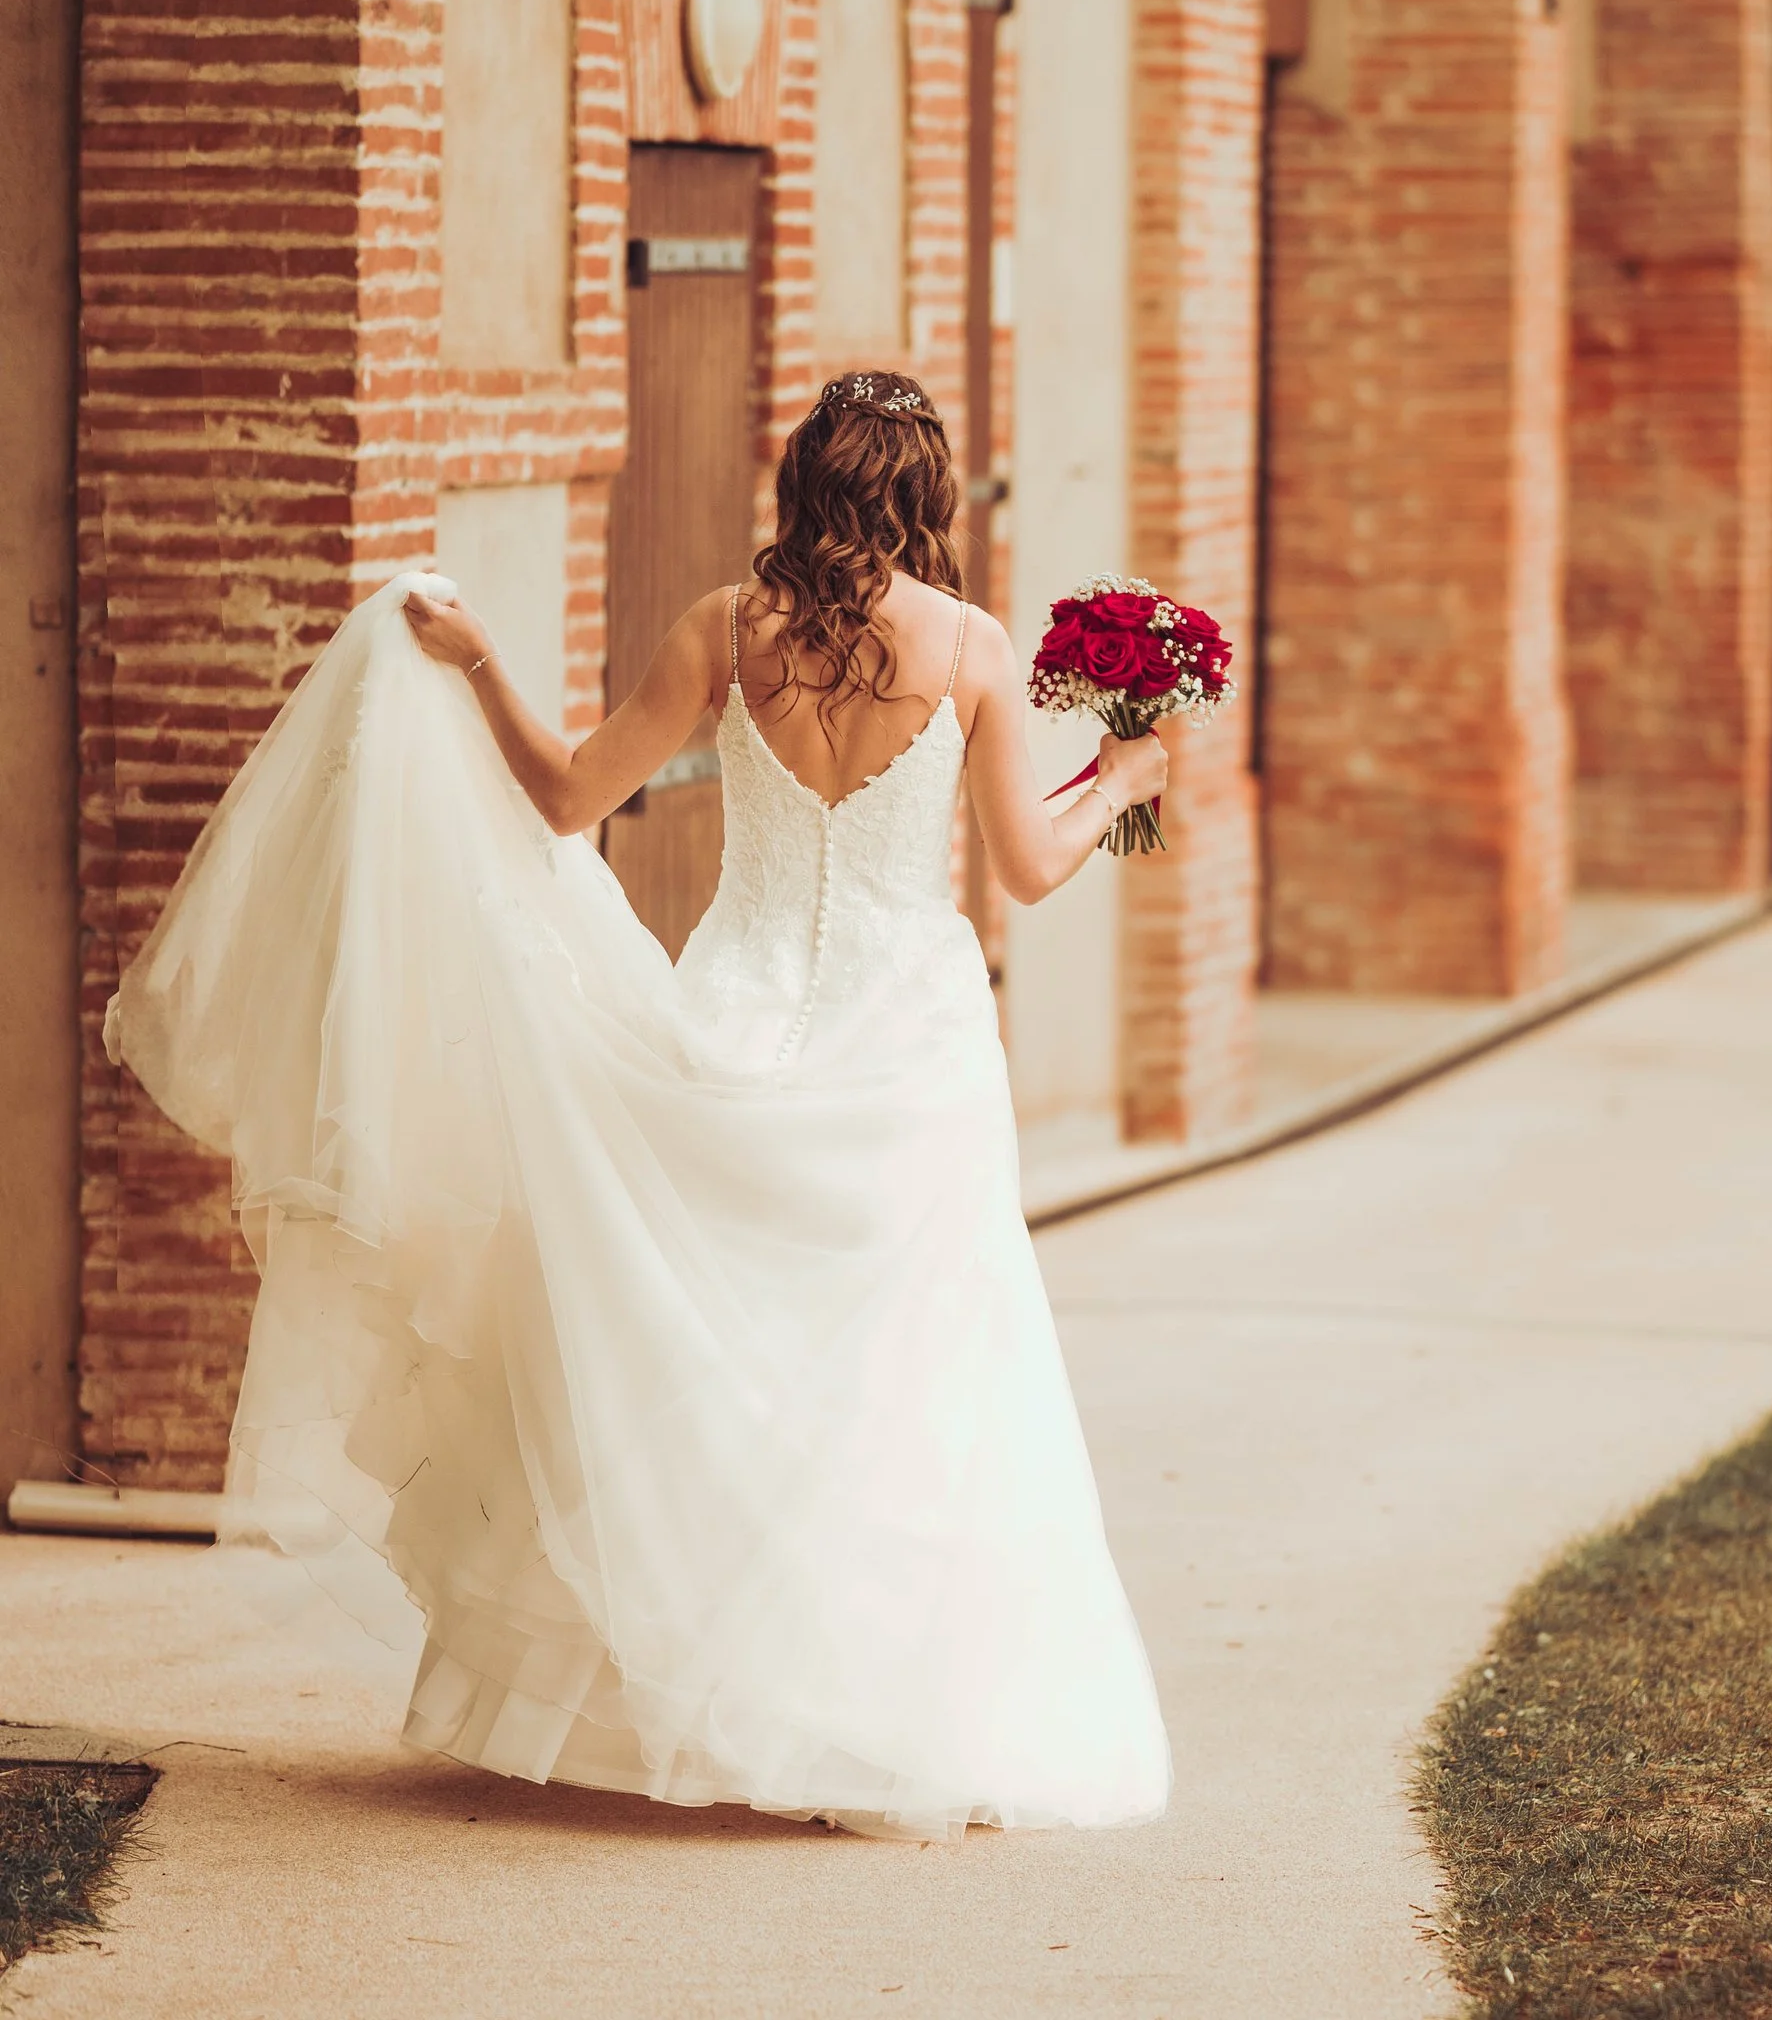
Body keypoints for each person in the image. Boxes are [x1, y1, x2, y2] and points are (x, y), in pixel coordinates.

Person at [106, 369, 1174, 1838]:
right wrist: (1119, 777)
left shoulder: (723, 631)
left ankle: (702, 1694)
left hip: (726, 1021)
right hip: (904, 1051)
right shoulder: (973, 648)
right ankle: (877, 1715)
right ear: (922, 498)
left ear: (806, 486)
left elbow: (559, 799)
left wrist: (482, 662)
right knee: (912, 1382)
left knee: (709, 1366)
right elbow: (1028, 872)